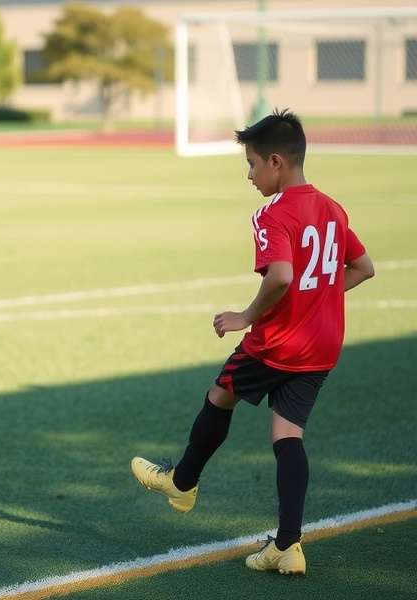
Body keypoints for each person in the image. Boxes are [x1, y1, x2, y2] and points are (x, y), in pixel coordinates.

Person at [130, 109, 375, 576]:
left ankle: (181, 484)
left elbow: (281, 276)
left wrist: (245, 315)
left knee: (221, 394)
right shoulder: (332, 208)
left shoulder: (273, 213)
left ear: (276, 162)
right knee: (287, 435)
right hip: (323, 346)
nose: (249, 174)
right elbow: (363, 268)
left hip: (278, 343)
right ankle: (288, 546)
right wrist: (319, 298)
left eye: (252, 163)